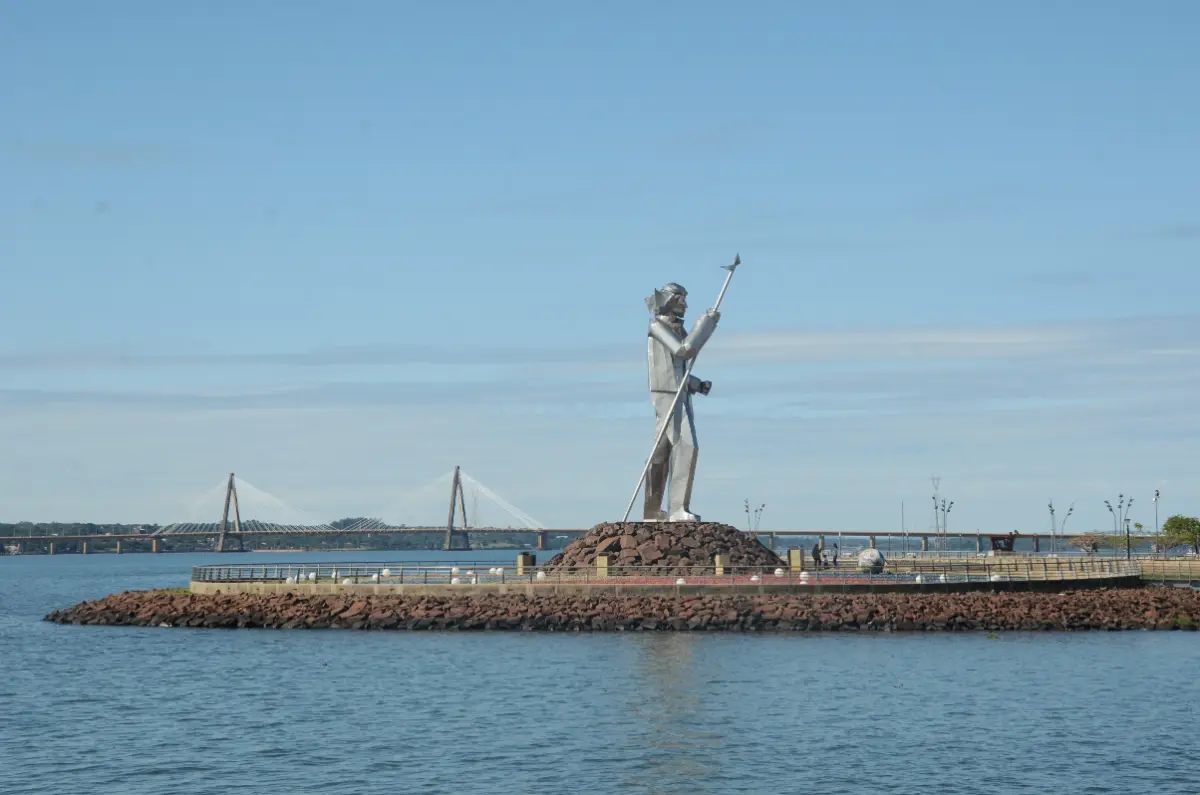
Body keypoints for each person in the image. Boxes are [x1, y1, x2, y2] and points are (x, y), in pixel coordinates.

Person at [642, 282, 720, 522]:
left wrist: (696, 384)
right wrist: (705, 326)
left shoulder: (677, 328)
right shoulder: (657, 326)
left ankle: (652, 510)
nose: (685, 305)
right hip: (667, 392)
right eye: (681, 300)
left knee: (661, 451)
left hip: (678, 391)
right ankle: (677, 509)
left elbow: (679, 368)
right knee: (686, 445)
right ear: (669, 301)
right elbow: (683, 352)